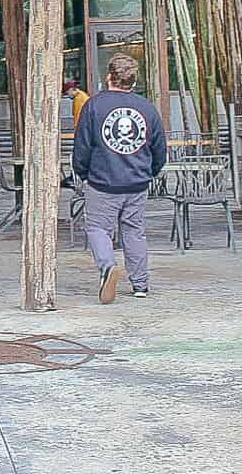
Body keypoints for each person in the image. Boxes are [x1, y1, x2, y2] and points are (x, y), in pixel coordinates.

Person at [72, 53, 167, 303]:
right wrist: (150, 172)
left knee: (97, 228)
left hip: (102, 181)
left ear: (109, 77)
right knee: (135, 232)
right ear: (133, 81)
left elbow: (82, 146)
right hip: (137, 182)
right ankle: (140, 284)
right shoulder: (147, 108)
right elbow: (160, 148)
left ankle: (107, 267)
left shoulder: (93, 105)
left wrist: (83, 174)